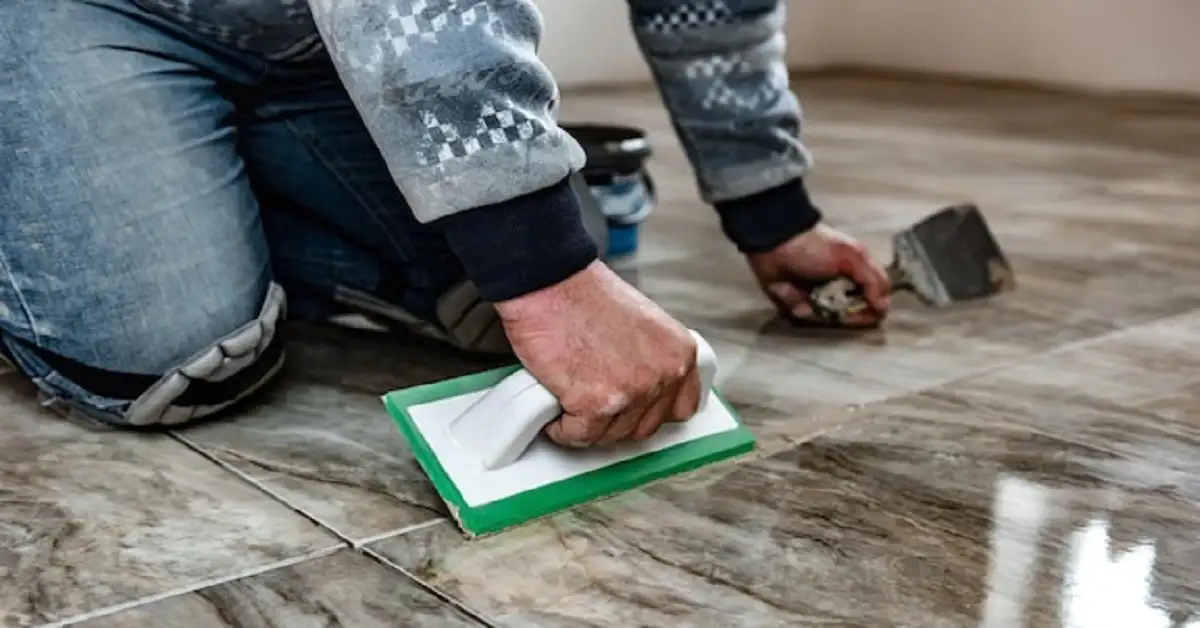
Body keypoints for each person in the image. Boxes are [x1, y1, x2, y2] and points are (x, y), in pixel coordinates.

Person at [1, 0, 890, 444]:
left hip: (321, 41)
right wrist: (547, 280)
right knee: (169, 363)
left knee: (533, 236)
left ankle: (220, 174)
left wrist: (770, 210)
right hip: (88, 14)